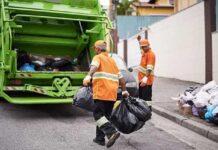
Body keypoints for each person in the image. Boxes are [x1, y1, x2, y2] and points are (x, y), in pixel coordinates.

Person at [83, 40, 129, 148]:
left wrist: (88, 76)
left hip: (101, 92)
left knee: (98, 115)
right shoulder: (112, 61)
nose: (95, 51)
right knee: (104, 117)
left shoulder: (98, 57)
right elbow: (121, 79)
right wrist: (124, 90)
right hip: (112, 94)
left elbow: (94, 67)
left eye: (95, 49)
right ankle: (100, 139)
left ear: (98, 49)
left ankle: (111, 132)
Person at [137, 38, 156, 110]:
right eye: (142, 47)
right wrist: (139, 41)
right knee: (141, 98)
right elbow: (141, 48)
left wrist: (145, 79)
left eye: (145, 46)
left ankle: (148, 111)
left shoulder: (151, 54)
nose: (144, 48)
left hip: (147, 81)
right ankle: (142, 111)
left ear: (148, 45)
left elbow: (149, 68)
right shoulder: (144, 52)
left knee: (147, 99)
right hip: (142, 80)